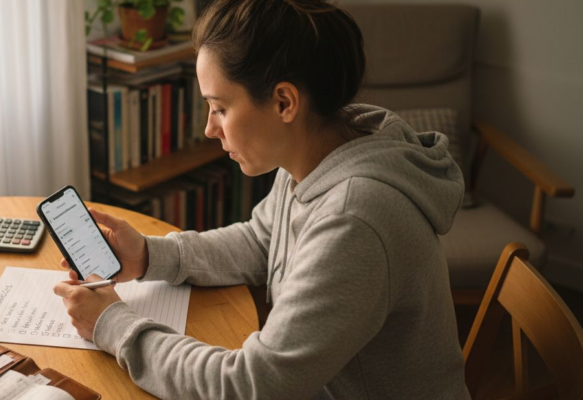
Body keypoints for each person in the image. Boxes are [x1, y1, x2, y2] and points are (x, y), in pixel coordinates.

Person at [52, 0, 470, 398]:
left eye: (219, 108)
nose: (209, 130)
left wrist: (113, 324)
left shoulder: (354, 218)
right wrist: (147, 255)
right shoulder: (322, 148)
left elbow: (252, 387)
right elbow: (259, 240)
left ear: (284, 102)